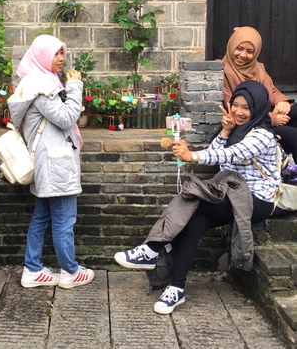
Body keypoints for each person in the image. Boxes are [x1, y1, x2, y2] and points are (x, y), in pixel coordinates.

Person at [114, 80, 279, 315]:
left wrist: (192, 156)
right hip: (230, 192)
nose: (239, 112)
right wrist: (225, 131)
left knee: (193, 196)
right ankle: (176, 288)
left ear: (259, 108)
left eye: (246, 107)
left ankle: (151, 249)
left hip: (257, 199)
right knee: (194, 223)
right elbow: (217, 154)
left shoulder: (262, 135)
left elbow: (233, 153)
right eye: (235, 105)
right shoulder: (236, 129)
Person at [8, 35, 95, 289]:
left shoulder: (37, 82)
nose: (61, 58)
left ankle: (32, 269)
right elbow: (67, 117)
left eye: (62, 53)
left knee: (42, 216)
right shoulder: (42, 87)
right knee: (64, 220)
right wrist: (75, 85)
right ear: (41, 56)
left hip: (48, 162)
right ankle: (70, 271)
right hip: (57, 163)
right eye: (55, 53)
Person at [223, 26, 297, 161]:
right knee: (293, 135)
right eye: (239, 48)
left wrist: (282, 101)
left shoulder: (257, 68)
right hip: (250, 124)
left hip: (267, 115)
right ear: (231, 46)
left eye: (250, 51)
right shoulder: (224, 71)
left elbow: (272, 91)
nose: (243, 55)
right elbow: (233, 109)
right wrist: (272, 119)